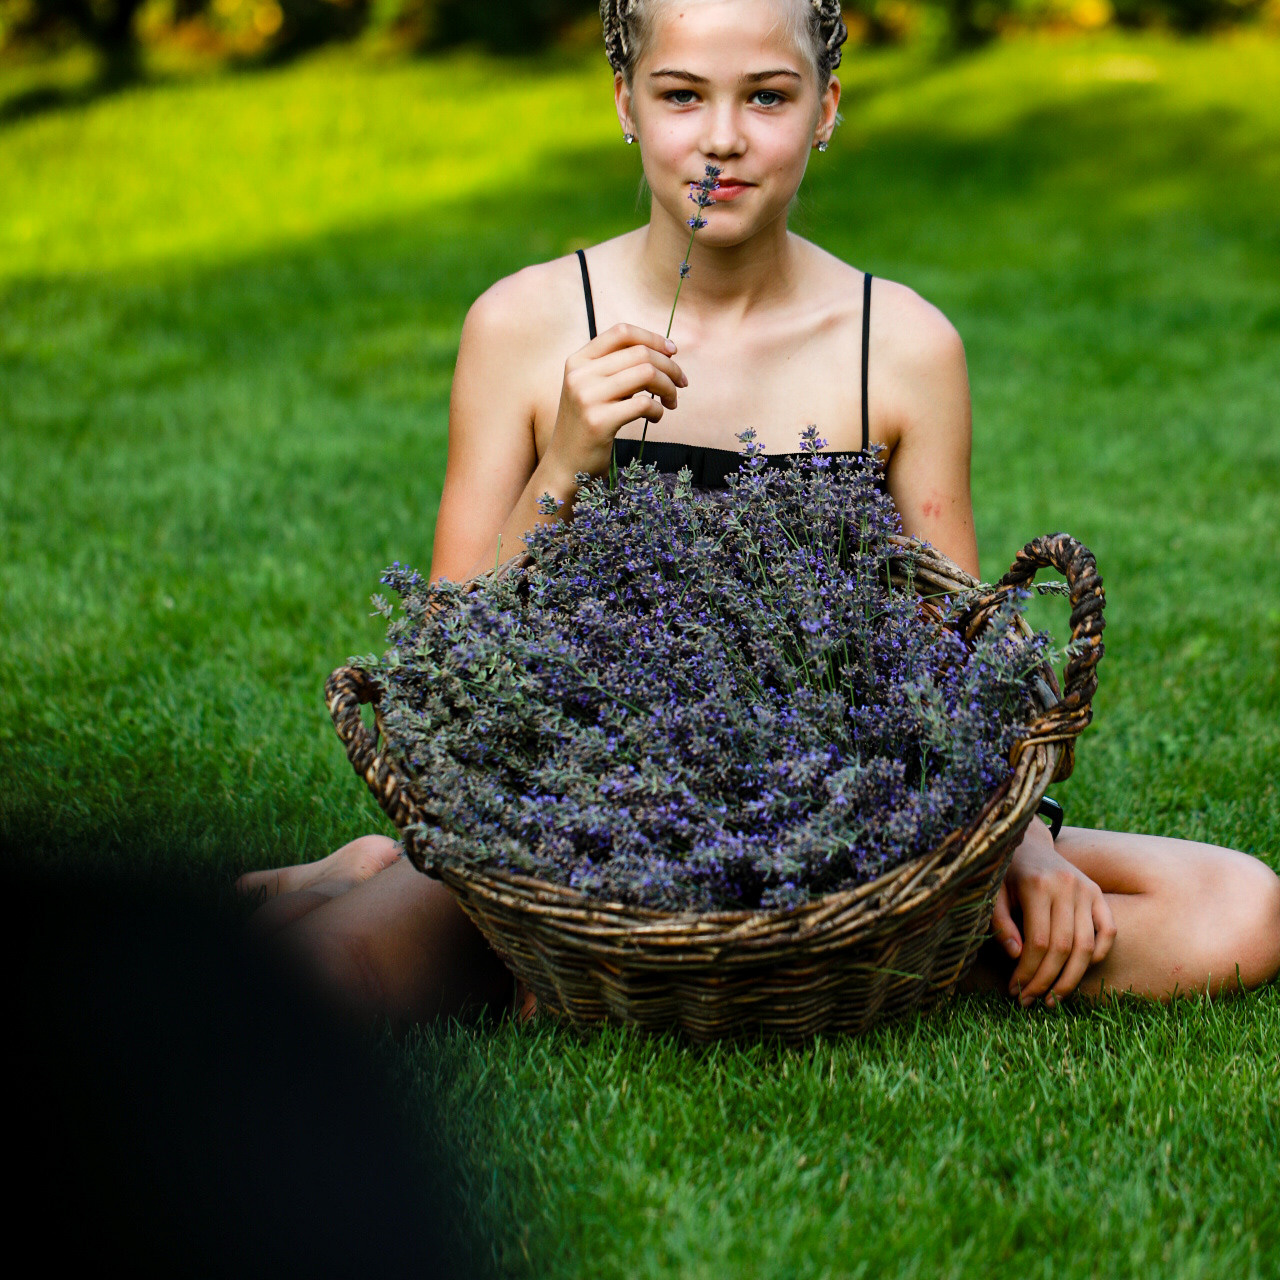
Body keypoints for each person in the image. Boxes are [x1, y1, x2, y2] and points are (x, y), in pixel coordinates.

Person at [238, 0, 1280, 1029]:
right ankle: (443, 896)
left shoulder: (899, 344)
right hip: (574, 830)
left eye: (767, 96)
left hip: (832, 832)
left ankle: (773, 959)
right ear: (624, 102)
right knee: (308, 991)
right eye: (681, 95)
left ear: (826, 106)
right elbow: (444, 658)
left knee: (1235, 911)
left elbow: (955, 660)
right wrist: (563, 456)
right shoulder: (522, 324)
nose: (721, 138)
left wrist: (1028, 847)